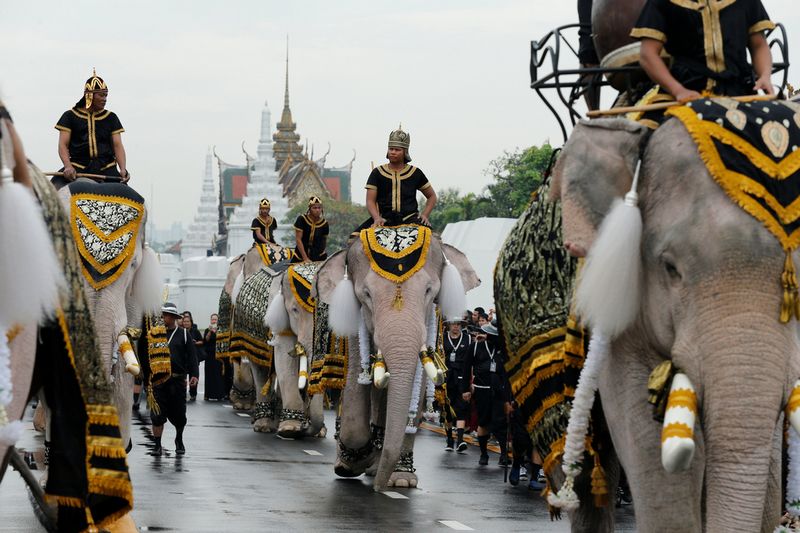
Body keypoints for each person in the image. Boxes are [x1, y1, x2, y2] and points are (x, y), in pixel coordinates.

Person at [631, 0, 775, 100]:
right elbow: (648, 55)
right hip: (683, 91)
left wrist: (765, 76)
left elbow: (759, 45)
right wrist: (678, 91)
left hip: (740, 92)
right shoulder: (663, 2)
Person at [53, 69, 129, 189]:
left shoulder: (111, 117)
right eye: (101, 95)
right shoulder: (69, 116)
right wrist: (68, 166)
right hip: (78, 167)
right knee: (53, 190)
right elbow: (63, 145)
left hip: (107, 169)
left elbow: (117, 145)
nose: (104, 99)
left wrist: (123, 169)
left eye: (106, 95)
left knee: (127, 196)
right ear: (89, 95)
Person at [358, 125, 437, 231]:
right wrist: (376, 218)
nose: (393, 152)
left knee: (431, 241)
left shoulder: (415, 173)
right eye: (391, 149)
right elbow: (370, 201)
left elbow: (432, 196)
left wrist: (425, 215)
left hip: (411, 220)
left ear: (405, 152)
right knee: (354, 238)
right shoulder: (377, 173)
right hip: (383, 220)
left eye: (397, 149)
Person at [461, 321, 512, 466]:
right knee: (483, 422)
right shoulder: (475, 346)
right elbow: (466, 368)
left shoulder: (504, 350)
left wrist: (508, 395)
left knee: (501, 423)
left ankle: (503, 454)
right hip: (481, 390)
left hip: (500, 391)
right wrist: (465, 389)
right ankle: (483, 454)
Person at [151, 303, 199, 456]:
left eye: (165, 315)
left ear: (172, 317)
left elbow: (192, 357)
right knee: (157, 415)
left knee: (179, 416)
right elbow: (147, 356)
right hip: (158, 382)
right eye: (162, 314)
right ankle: (157, 445)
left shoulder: (184, 334)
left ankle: (179, 439)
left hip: (177, 382)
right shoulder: (154, 334)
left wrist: (194, 375)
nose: (162, 317)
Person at [442, 317, 471, 453]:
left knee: (462, 408)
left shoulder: (468, 338)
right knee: (447, 409)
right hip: (447, 376)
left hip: (461, 376)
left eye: (458, 324)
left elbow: (471, 360)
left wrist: (472, 379)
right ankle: (449, 439)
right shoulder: (442, 338)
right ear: (449, 325)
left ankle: (460, 439)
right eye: (453, 324)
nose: (456, 327)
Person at [292, 196, 329, 263]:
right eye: (314, 208)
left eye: (319, 208)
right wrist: (305, 258)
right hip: (300, 256)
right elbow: (298, 240)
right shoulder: (302, 219)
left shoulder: (324, 224)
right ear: (310, 209)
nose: (317, 210)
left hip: (317, 257)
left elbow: (323, 242)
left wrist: (320, 255)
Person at [203, 313, 226, 401]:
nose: (214, 321)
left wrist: (216, 332)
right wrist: (210, 331)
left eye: (215, 319)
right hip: (209, 355)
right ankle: (208, 394)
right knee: (209, 375)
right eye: (212, 319)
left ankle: (219, 394)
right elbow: (206, 340)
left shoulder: (221, 330)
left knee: (218, 375)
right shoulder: (207, 330)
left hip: (219, 355)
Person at [182, 311, 204, 402]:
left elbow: (202, 341)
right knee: (182, 377)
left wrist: (195, 342)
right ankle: (182, 393)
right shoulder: (180, 331)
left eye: (188, 321)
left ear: (191, 323)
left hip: (193, 358)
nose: (186, 323)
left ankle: (193, 394)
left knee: (193, 376)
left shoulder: (196, 331)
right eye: (185, 321)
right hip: (183, 358)